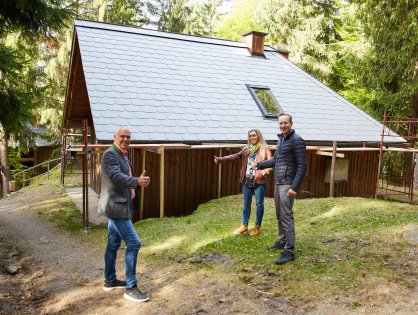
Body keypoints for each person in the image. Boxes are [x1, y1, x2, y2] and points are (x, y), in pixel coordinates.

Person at [98, 127, 150, 302]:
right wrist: (137, 181)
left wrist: (135, 181)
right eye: (123, 136)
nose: (126, 139)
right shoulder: (110, 154)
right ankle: (131, 287)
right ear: (115, 137)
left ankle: (110, 280)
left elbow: (122, 176)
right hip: (116, 208)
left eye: (128, 137)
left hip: (119, 205)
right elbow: (116, 176)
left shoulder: (123, 154)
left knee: (113, 243)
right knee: (134, 243)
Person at [253, 113, 307, 265]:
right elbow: (276, 159)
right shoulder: (281, 139)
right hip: (278, 182)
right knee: (279, 214)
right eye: (281, 123)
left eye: (286, 123)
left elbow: (302, 166)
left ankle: (289, 251)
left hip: (288, 184)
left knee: (286, 216)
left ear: (291, 123)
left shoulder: (297, 140)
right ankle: (283, 241)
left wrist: (294, 187)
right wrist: (259, 165)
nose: (283, 125)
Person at [214, 129, 273, 236]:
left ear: (259, 136)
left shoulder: (265, 149)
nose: (252, 137)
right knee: (246, 205)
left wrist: (263, 172)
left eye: (254, 135)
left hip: (259, 182)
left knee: (259, 205)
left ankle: (257, 227)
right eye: (250, 136)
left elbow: (270, 163)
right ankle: (244, 226)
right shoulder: (246, 149)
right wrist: (221, 159)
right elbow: (235, 156)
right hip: (247, 181)